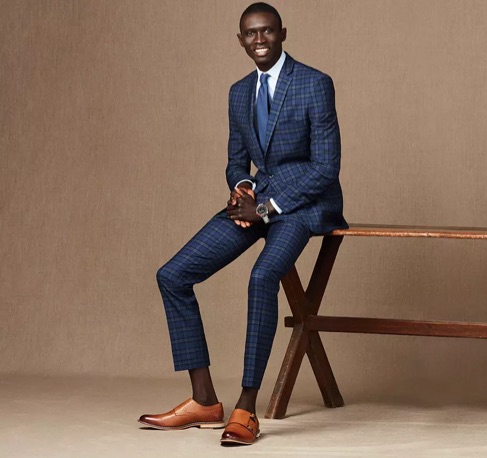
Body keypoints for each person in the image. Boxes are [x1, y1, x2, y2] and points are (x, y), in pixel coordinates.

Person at [138, 2, 347, 446]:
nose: (259, 40)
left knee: (261, 277)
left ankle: (246, 409)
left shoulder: (314, 83)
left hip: (305, 204)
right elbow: (237, 160)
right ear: (240, 40)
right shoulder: (238, 92)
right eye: (250, 34)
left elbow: (326, 167)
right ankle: (204, 401)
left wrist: (268, 208)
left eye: (267, 32)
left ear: (282, 34)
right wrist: (245, 186)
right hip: (256, 204)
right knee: (173, 275)